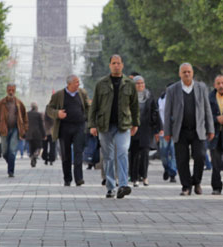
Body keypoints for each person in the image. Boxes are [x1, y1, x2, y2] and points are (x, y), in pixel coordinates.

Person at [88, 55, 139, 199]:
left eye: (118, 63)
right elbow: (94, 106)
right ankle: (110, 186)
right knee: (108, 157)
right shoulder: (101, 84)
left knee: (122, 152)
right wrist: (92, 125)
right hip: (105, 126)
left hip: (123, 125)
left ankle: (123, 185)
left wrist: (136, 123)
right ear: (110, 65)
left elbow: (135, 106)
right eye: (113, 63)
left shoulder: (129, 83)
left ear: (122, 65)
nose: (116, 65)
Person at [164, 63, 214, 196]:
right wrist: (167, 131)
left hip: (198, 129)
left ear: (192, 73)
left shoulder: (201, 87)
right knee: (181, 159)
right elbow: (167, 112)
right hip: (180, 130)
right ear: (180, 74)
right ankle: (186, 186)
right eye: (184, 72)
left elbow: (207, 109)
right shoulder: (173, 89)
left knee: (200, 156)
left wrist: (210, 128)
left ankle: (196, 181)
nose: (187, 74)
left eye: (189, 72)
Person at [47, 75, 90, 186]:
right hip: (64, 128)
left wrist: (89, 121)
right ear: (69, 84)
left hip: (79, 127)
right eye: (76, 82)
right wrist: (57, 114)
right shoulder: (59, 95)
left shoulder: (82, 93)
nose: (78, 84)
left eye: (78, 82)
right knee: (65, 155)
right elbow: (49, 109)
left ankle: (79, 178)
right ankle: (67, 178)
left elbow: (88, 107)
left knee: (78, 152)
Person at [129, 76, 161, 187]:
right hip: (134, 129)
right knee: (134, 154)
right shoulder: (129, 97)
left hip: (146, 129)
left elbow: (155, 112)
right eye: (137, 83)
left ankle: (145, 176)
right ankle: (134, 177)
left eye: (142, 83)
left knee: (145, 154)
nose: (140, 85)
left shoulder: (149, 96)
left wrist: (158, 128)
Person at [0, 84, 28, 178]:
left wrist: (24, 128)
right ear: (6, 90)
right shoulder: (1, 103)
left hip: (15, 130)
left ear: (15, 90)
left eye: (13, 90)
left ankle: (11, 171)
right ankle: (10, 162)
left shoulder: (19, 103)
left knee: (12, 151)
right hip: (4, 130)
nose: (11, 91)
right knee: (5, 152)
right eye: (9, 90)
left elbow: (25, 116)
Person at [157, 84, 177, 183]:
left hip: (175, 131)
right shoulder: (160, 99)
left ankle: (173, 173)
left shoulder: (178, 100)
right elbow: (157, 115)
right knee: (164, 155)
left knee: (174, 153)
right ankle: (167, 168)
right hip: (163, 131)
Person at [26, 102, 45, 168]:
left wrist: (24, 134)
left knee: (31, 147)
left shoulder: (27, 114)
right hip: (37, 134)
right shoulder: (38, 114)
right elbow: (41, 125)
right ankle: (35, 155)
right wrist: (44, 134)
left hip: (29, 134)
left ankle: (32, 156)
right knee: (39, 147)